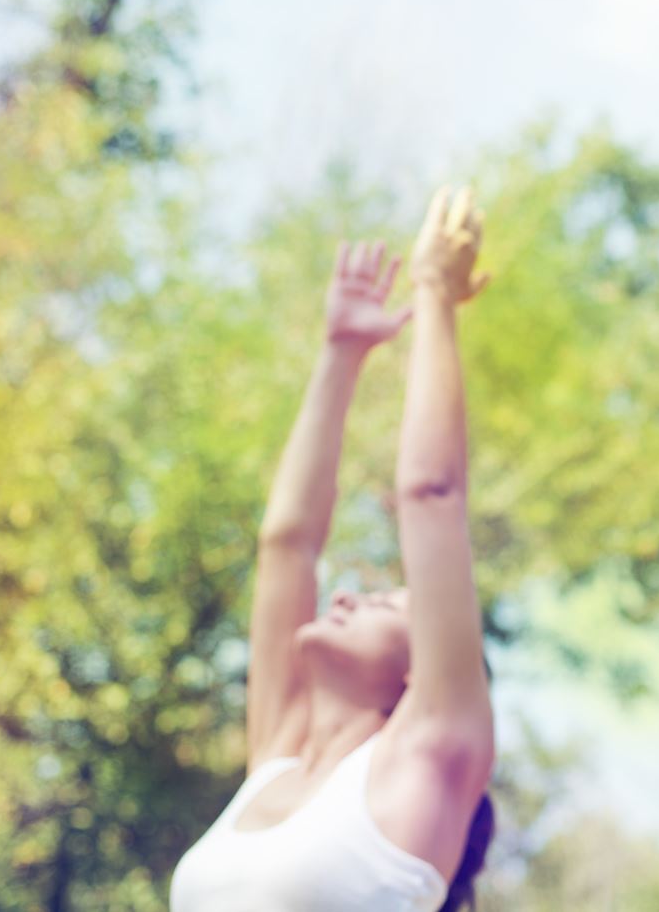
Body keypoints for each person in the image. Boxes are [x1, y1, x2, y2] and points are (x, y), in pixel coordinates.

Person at [171, 187, 496, 912]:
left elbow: (432, 495)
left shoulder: (429, 756)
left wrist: (434, 294)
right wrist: (341, 352)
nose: (344, 594)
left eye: (383, 600)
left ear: (422, 673)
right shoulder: (276, 756)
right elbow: (287, 544)